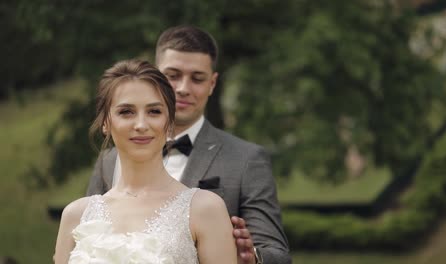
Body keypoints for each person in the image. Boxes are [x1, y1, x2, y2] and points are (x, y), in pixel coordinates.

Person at [87, 25, 291, 264]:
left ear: (212, 84)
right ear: (156, 77)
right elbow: (87, 237)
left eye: (197, 78)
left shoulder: (246, 159)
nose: (183, 88)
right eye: (173, 76)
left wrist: (252, 258)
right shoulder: (110, 159)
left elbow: (278, 254)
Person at [54, 59, 237, 263]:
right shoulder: (76, 216)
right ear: (106, 122)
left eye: (154, 111)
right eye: (126, 112)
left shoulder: (205, 209)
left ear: (169, 123)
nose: (141, 124)